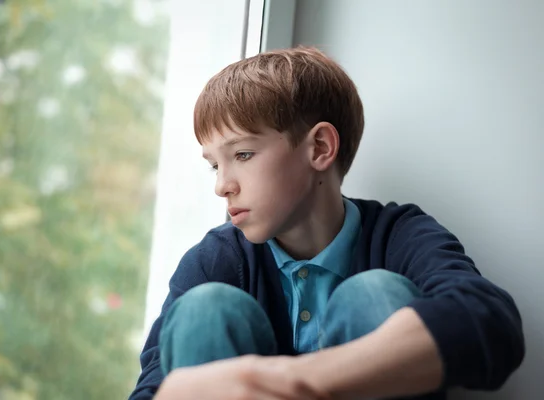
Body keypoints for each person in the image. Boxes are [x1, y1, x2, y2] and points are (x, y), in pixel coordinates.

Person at [128, 46, 524, 400]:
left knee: (372, 293)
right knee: (205, 309)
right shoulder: (216, 259)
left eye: (243, 154)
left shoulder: (398, 234)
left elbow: (488, 322)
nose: (222, 185)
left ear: (319, 148)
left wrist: (295, 377)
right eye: (214, 165)